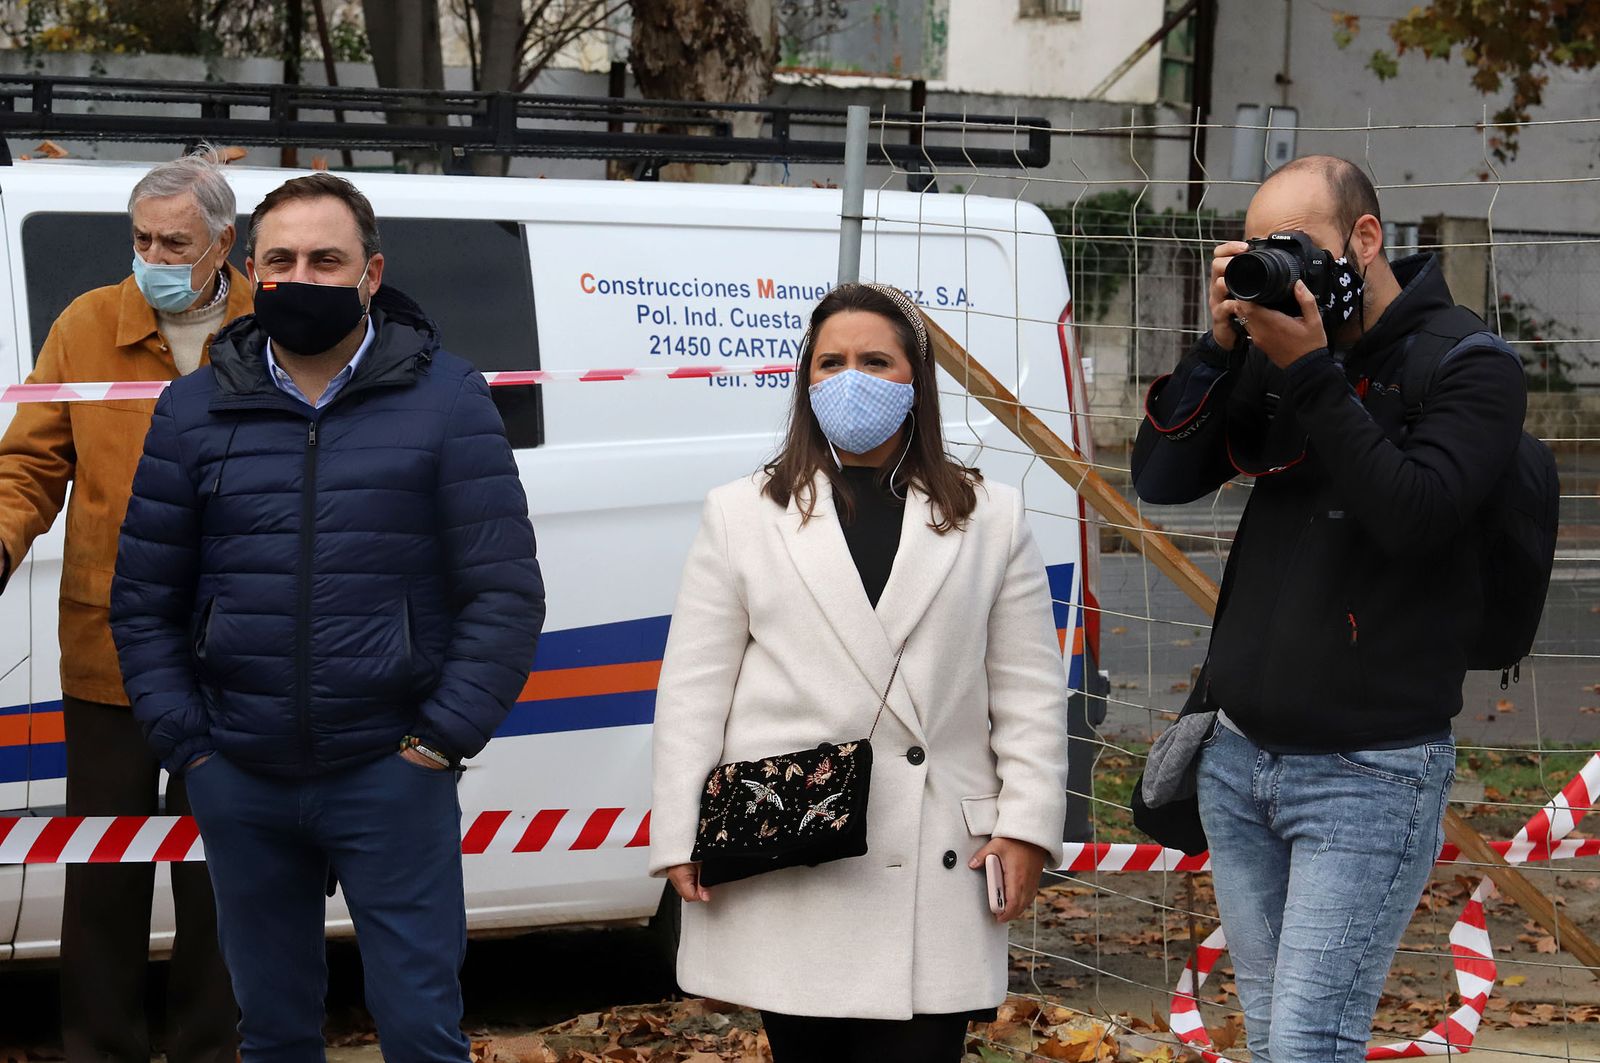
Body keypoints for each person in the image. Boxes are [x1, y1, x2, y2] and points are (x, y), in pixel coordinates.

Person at [110, 173, 545, 1061]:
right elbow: (146, 597)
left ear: (371, 272)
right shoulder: (194, 408)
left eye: (325, 259)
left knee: (422, 1032)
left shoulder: (449, 399)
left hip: (394, 772)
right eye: (280, 260)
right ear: (251, 270)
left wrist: (438, 740)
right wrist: (190, 746)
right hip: (242, 772)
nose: (300, 276)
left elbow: (503, 591)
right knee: (271, 1034)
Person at [1131, 156, 1525, 1061]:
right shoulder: (1274, 350)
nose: (1280, 266)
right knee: (1272, 1036)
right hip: (1239, 760)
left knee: (1311, 1041)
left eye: (1297, 246)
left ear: (1365, 238)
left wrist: (1310, 370)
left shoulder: (1468, 364)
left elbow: (1414, 513)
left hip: (1369, 769)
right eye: (1262, 247)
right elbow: (1160, 478)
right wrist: (1220, 346)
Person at [649, 283, 1069, 1063]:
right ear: (806, 381)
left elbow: (1029, 691)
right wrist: (680, 827)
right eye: (831, 361)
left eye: (876, 360)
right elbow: (693, 686)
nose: (852, 378)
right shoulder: (741, 513)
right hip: (791, 850)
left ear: (915, 382)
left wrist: (1026, 826)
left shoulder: (993, 516)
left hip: (936, 858)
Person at [0, 148, 249, 1063]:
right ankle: (98, 1050)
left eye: (173, 241)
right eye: (141, 237)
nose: (152, 255)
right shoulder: (88, 324)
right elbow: (28, 463)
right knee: (103, 873)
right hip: (109, 654)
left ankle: (209, 1051)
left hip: (237, 656)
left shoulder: (272, 329)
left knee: (224, 877)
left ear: (223, 244)